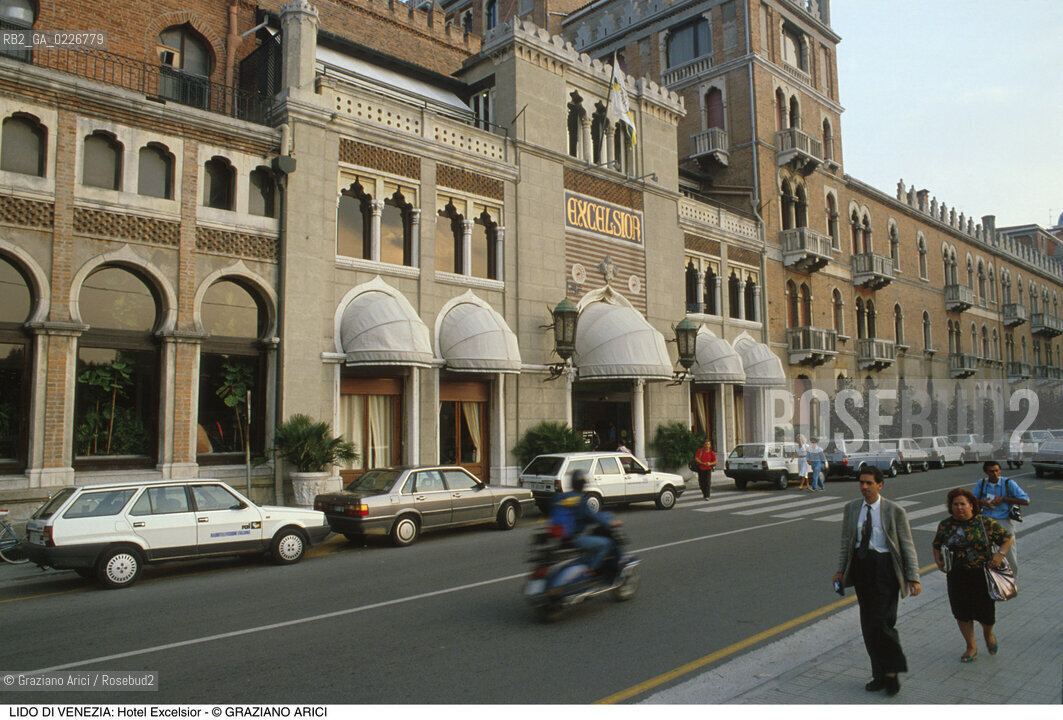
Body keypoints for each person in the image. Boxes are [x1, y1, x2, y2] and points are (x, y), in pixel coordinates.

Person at [833, 466, 921, 696]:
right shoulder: (851, 509)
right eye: (861, 483)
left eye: (869, 483)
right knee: (869, 625)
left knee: (883, 622)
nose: (864, 487)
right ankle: (879, 675)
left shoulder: (894, 511)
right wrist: (840, 571)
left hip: (885, 570)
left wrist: (913, 577)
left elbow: (907, 545)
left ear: (880, 485)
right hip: (862, 570)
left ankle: (891, 672)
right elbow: (846, 542)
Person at [932, 487, 1013, 663]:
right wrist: (938, 560)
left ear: (971, 505)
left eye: (963, 504)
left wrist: (1000, 555)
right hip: (957, 576)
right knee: (961, 613)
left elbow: (1007, 538)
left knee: (986, 614)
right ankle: (971, 646)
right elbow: (937, 544)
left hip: (981, 576)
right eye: (955, 504)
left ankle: (988, 634)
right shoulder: (946, 525)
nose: (959, 508)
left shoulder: (985, 523)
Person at [550, 470, 621, 575]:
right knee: (606, 544)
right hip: (576, 538)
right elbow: (593, 516)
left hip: (561, 538)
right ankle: (591, 570)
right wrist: (610, 523)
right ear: (582, 485)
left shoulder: (561, 497)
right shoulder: (581, 500)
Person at [972, 460, 1028, 574]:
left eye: (997, 471)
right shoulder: (982, 483)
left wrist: (1004, 499)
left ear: (1000, 470)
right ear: (986, 472)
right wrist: (983, 502)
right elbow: (971, 499)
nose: (995, 474)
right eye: (991, 471)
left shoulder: (1008, 483)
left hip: (1004, 521)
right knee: (984, 552)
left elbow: (1026, 500)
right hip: (986, 521)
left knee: (1009, 553)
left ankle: (1012, 580)